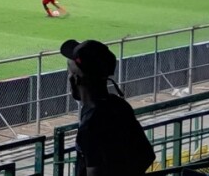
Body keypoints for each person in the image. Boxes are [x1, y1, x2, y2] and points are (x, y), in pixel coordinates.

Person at [61, 39, 154, 176]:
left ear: (76, 80)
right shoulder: (119, 105)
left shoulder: (91, 125)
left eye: (70, 74)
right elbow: (147, 156)